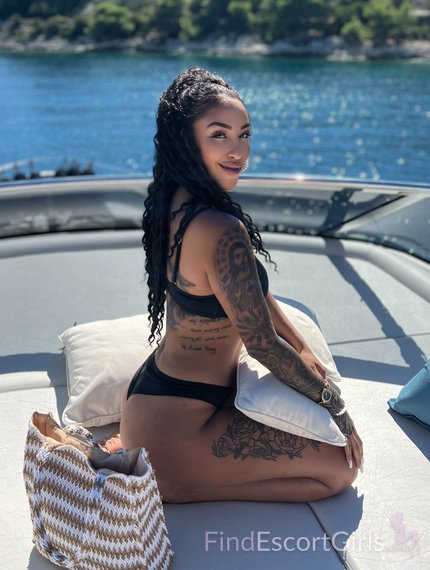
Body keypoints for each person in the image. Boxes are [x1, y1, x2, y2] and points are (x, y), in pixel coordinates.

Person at [120, 67, 363, 503]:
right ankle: (178, 485)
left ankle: (183, 478)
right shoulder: (219, 228)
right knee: (340, 470)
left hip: (153, 404)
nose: (238, 150)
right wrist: (336, 407)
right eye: (219, 135)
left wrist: (301, 345)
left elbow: (253, 296)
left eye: (244, 134)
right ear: (185, 140)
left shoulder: (173, 201)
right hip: (176, 431)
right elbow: (262, 345)